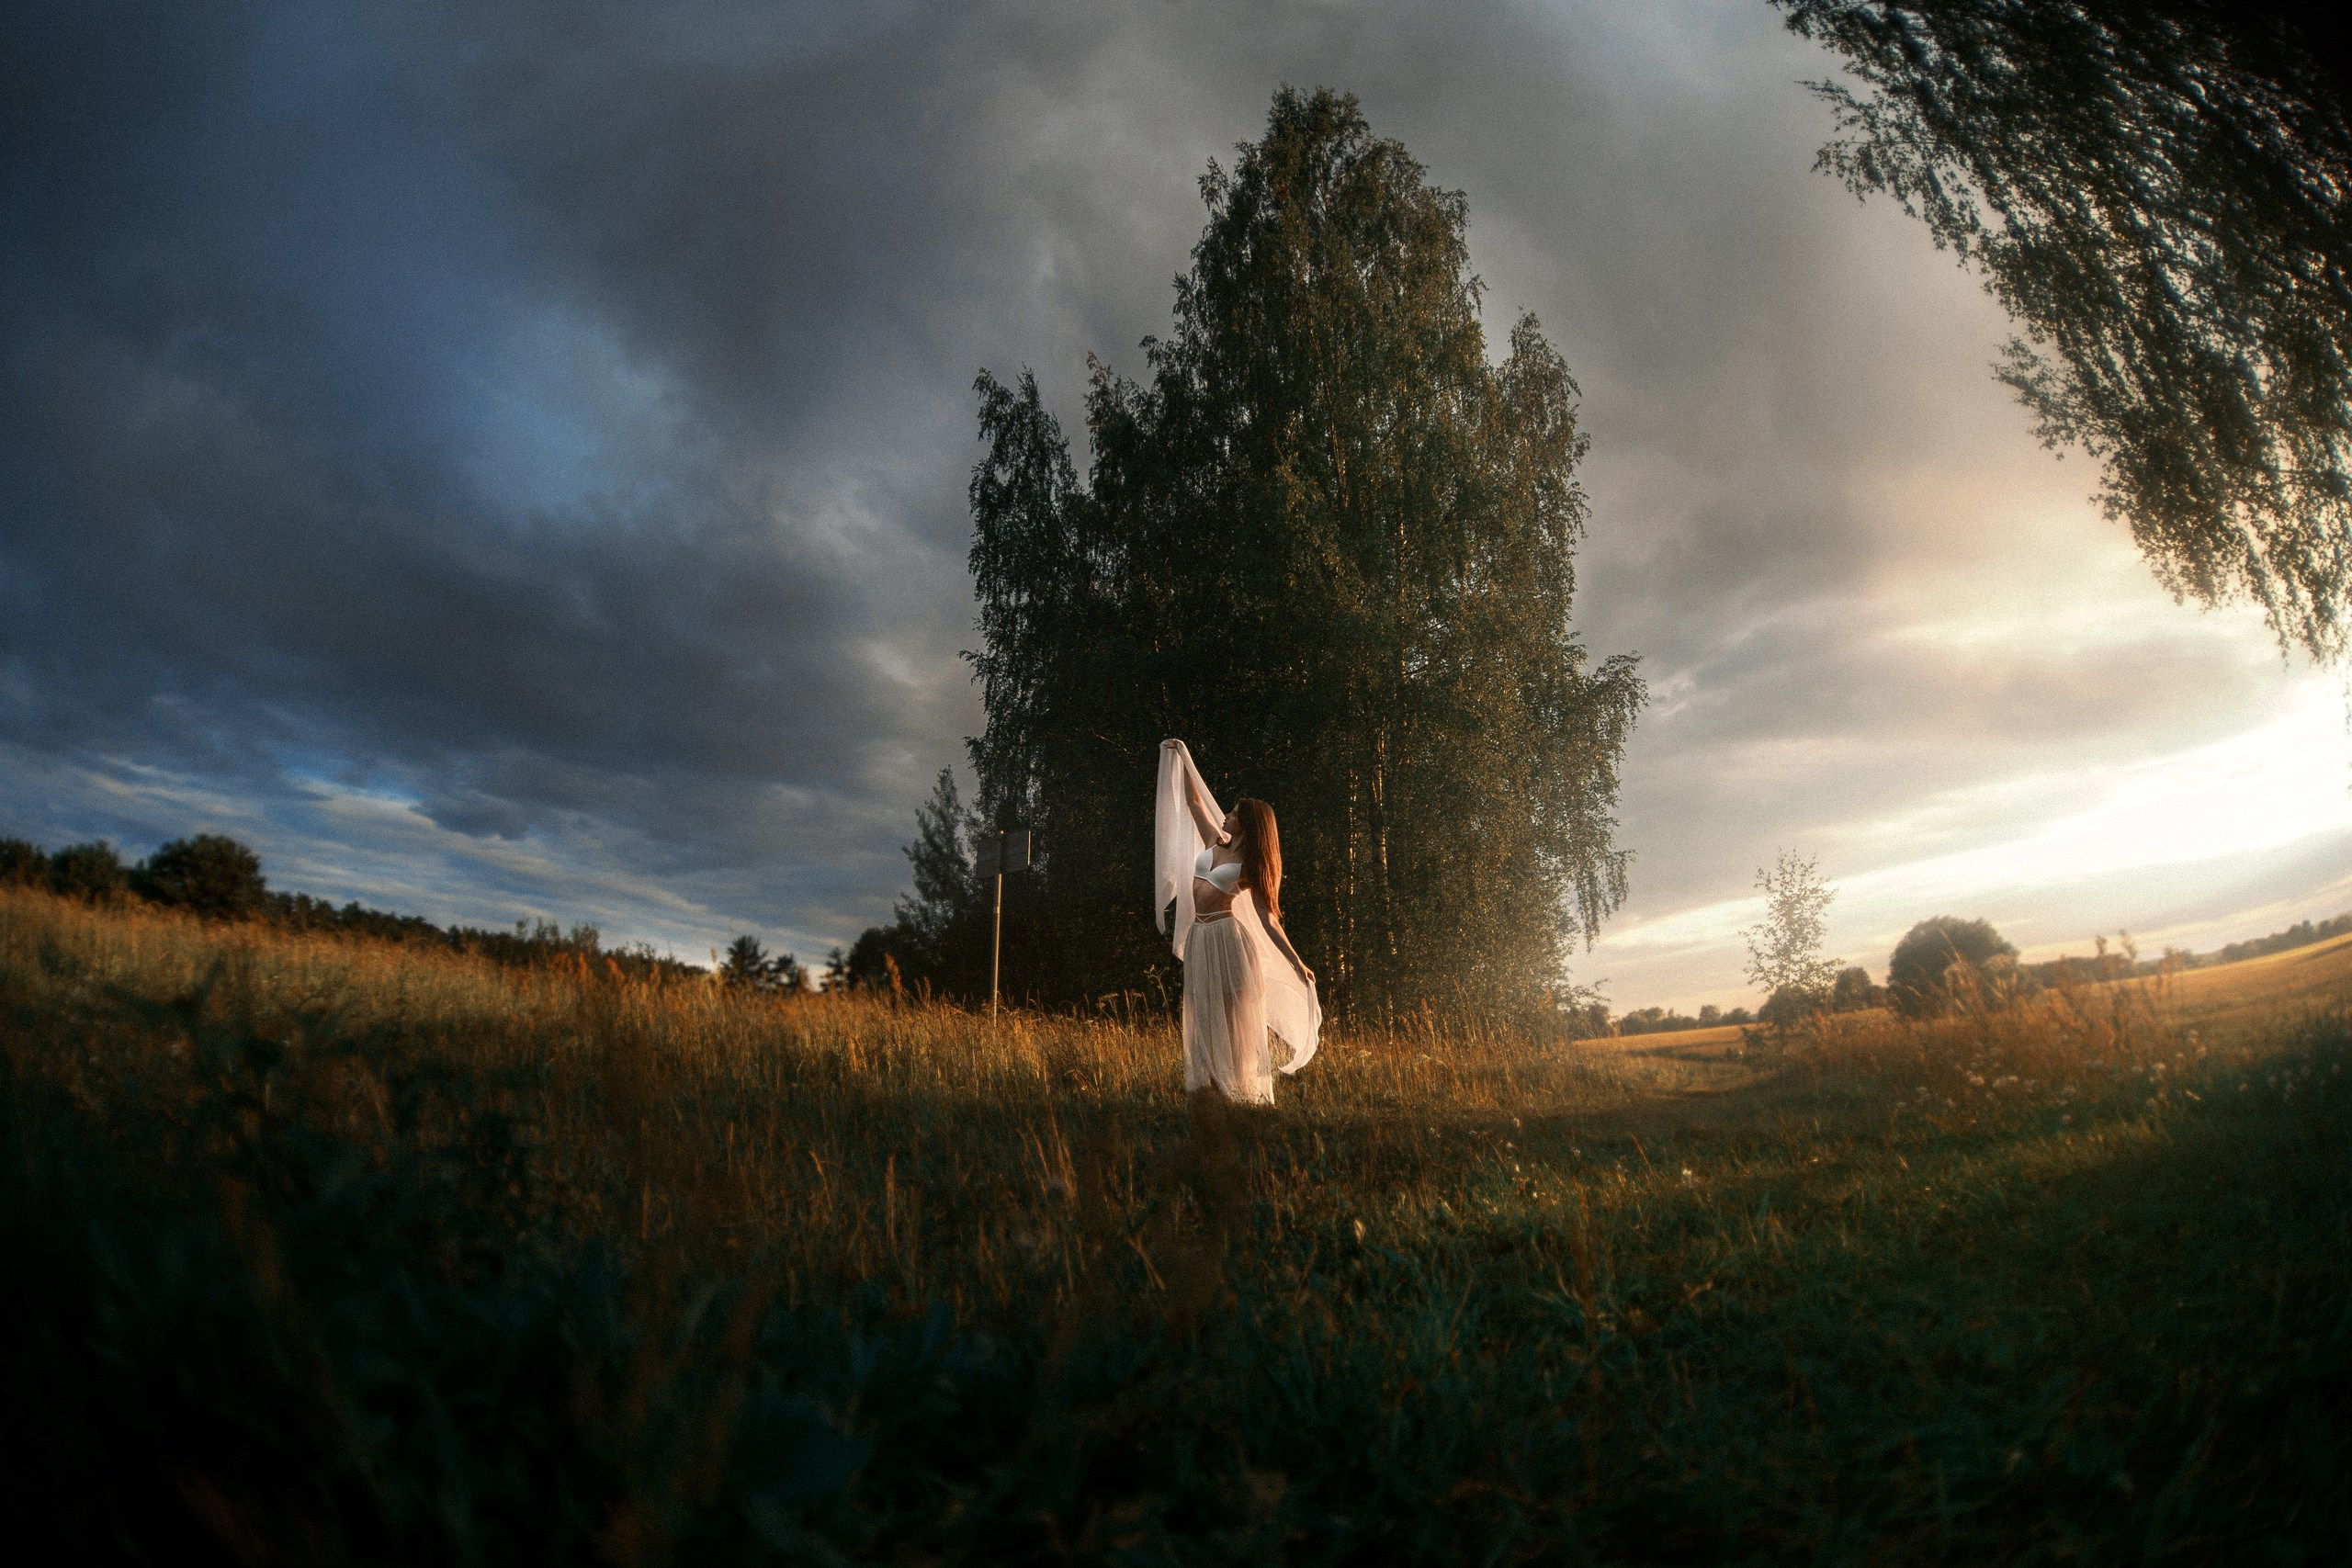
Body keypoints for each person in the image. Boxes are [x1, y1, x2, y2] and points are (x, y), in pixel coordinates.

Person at [1155, 739, 1320, 1101]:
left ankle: (1240, 1089)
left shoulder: (1251, 867)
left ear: (1246, 824)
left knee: (1233, 1015)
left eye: (1232, 813)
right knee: (1201, 1010)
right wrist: (1181, 756)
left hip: (1228, 940)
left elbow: (1270, 921)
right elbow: (1194, 802)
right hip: (1201, 935)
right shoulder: (1214, 840)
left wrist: (1298, 963)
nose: (1225, 815)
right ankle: (1210, 1085)